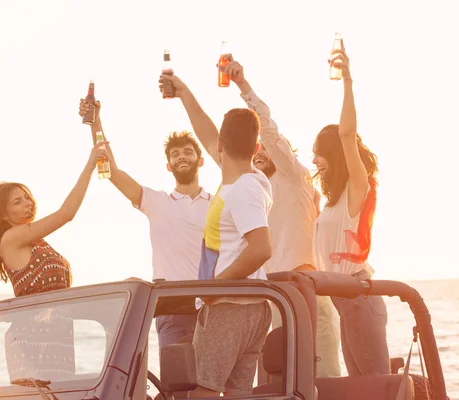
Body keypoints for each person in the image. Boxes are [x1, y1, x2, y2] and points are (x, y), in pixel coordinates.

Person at [221, 55, 341, 378]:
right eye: (254, 151)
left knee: (326, 381)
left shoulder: (294, 176)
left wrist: (243, 86)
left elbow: (270, 134)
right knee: (275, 385)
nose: (259, 153)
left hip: (309, 295)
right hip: (274, 298)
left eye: (264, 150)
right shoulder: (254, 191)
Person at [159, 73, 273, 397]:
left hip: (228, 307)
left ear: (222, 147)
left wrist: (216, 286)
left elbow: (262, 248)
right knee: (237, 395)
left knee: (202, 394)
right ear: (257, 147)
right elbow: (208, 132)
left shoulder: (242, 189)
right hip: (249, 309)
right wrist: (184, 94)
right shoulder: (251, 178)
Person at [78, 100, 211, 348]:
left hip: (212, 311)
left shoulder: (218, 205)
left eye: (188, 151)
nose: (181, 155)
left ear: (200, 161)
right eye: (175, 154)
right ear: (168, 166)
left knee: (210, 386)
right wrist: (95, 122)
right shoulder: (156, 201)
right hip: (172, 311)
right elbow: (112, 171)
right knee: (177, 385)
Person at [0, 142, 108, 381]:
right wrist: (90, 165)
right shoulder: (11, 238)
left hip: (59, 339)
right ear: (4, 215)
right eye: (17, 202)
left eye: (26, 197)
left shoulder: (37, 240)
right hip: (31, 343)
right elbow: (66, 214)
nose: (27, 203)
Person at [312, 42, 390, 376]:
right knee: (359, 390)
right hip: (345, 305)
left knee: (374, 391)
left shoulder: (357, 190)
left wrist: (347, 82)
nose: (314, 161)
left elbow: (347, 134)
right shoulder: (332, 201)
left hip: (360, 300)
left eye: (319, 153)